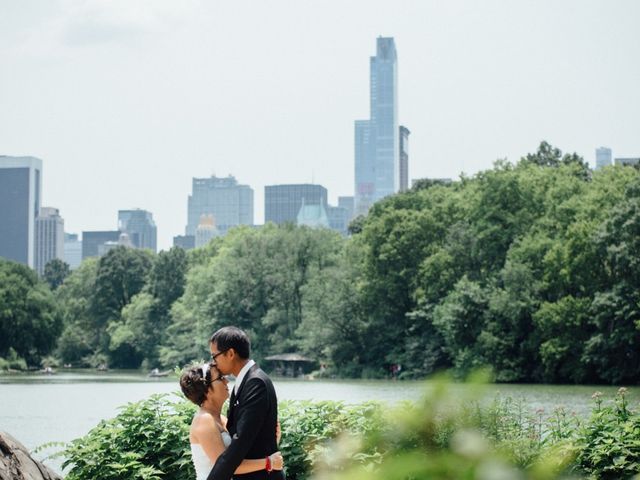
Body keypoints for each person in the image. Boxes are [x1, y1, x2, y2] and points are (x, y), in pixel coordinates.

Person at [180, 362, 284, 480]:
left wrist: (273, 439)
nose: (226, 381)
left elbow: (238, 454)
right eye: (220, 378)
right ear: (206, 389)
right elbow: (225, 466)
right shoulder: (204, 420)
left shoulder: (222, 419)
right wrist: (268, 462)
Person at [207, 326, 286, 480]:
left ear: (230, 354)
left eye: (214, 356)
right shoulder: (245, 381)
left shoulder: (255, 382)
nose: (213, 363)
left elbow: (241, 441)